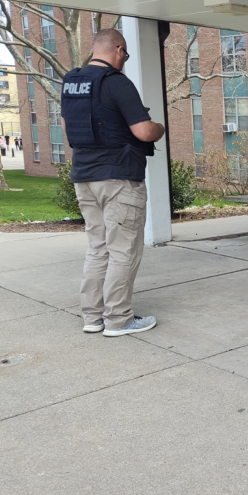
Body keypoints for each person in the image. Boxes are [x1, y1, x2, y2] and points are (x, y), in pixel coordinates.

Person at [60, 28, 165, 337]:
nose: (125, 59)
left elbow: (69, 129)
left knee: (98, 248)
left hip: (84, 177)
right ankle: (118, 319)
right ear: (119, 49)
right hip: (118, 179)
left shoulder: (71, 82)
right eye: (126, 54)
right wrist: (158, 127)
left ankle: (92, 317)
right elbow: (144, 132)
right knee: (123, 251)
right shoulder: (117, 83)